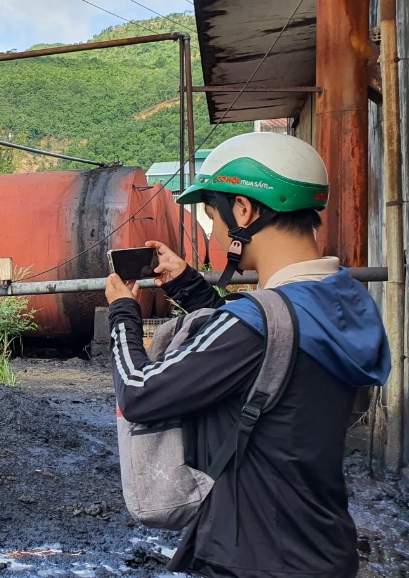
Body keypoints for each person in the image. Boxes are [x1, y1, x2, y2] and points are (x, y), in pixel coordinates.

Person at [104, 132, 390, 577]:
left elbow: (140, 394)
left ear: (243, 209)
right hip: (325, 547)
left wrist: (122, 315)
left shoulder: (257, 325)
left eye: (212, 214)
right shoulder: (345, 300)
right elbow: (271, 351)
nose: (214, 230)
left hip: (256, 557)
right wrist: (188, 286)